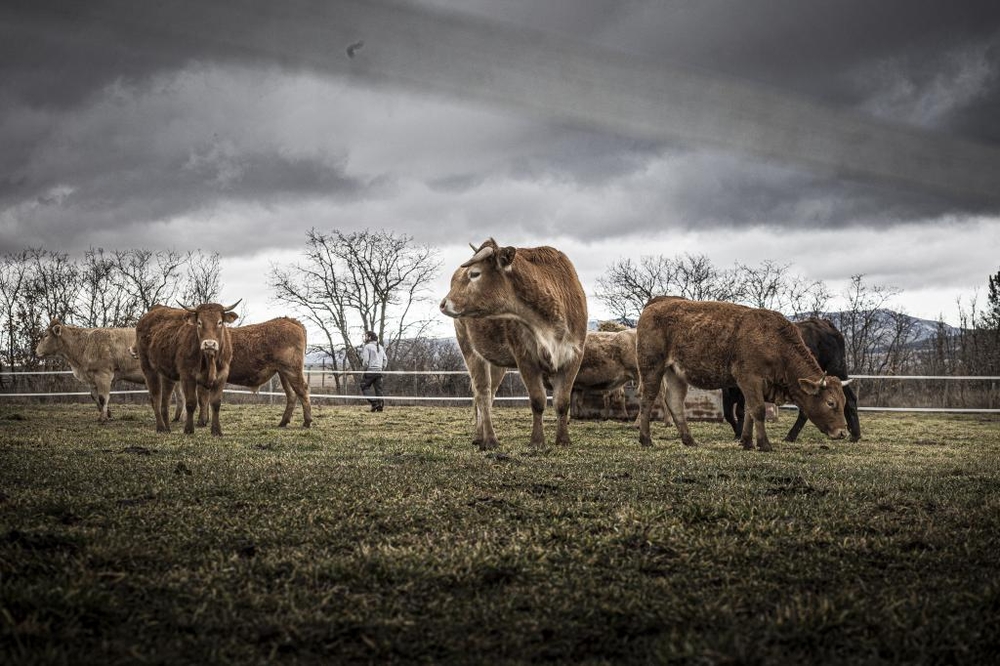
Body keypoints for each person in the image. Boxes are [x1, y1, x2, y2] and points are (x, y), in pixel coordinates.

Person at [359, 330, 388, 412]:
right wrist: (382, 369)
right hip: (379, 371)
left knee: (364, 386)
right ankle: (380, 405)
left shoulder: (367, 347)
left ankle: (374, 403)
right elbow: (385, 360)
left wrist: (364, 370)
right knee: (378, 389)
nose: (365, 338)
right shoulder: (381, 347)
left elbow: (365, 361)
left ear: (370, 337)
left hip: (370, 371)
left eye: (366, 336)